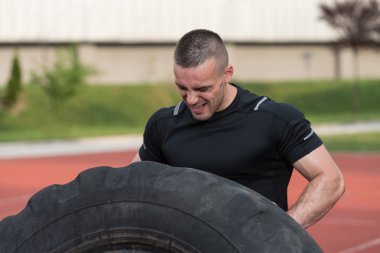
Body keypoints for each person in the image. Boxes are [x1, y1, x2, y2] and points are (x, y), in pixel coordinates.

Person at [132, 29, 344, 228]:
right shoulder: (163, 124)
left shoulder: (275, 119)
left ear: (227, 74)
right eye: (182, 87)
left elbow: (330, 179)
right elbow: (132, 185)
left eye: (202, 88)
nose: (192, 99)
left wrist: (282, 230)